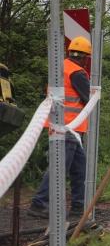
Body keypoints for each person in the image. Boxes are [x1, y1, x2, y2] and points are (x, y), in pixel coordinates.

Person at [29, 36, 92, 218]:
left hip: (66, 128)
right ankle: (39, 203)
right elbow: (88, 98)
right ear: (86, 57)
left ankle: (78, 207)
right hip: (68, 128)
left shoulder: (60, 68)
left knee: (79, 169)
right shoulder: (77, 73)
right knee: (59, 168)